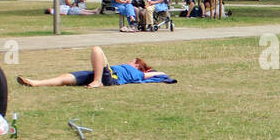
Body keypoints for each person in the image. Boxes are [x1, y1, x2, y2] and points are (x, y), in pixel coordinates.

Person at [16, 45, 176, 88]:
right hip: (99, 73)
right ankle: (36, 82)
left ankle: (98, 81)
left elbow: (152, 74)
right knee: (66, 78)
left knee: (97, 50)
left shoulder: (136, 73)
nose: (128, 61)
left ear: (136, 65)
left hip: (109, 78)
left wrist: (157, 72)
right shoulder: (129, 69)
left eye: (131, 60)